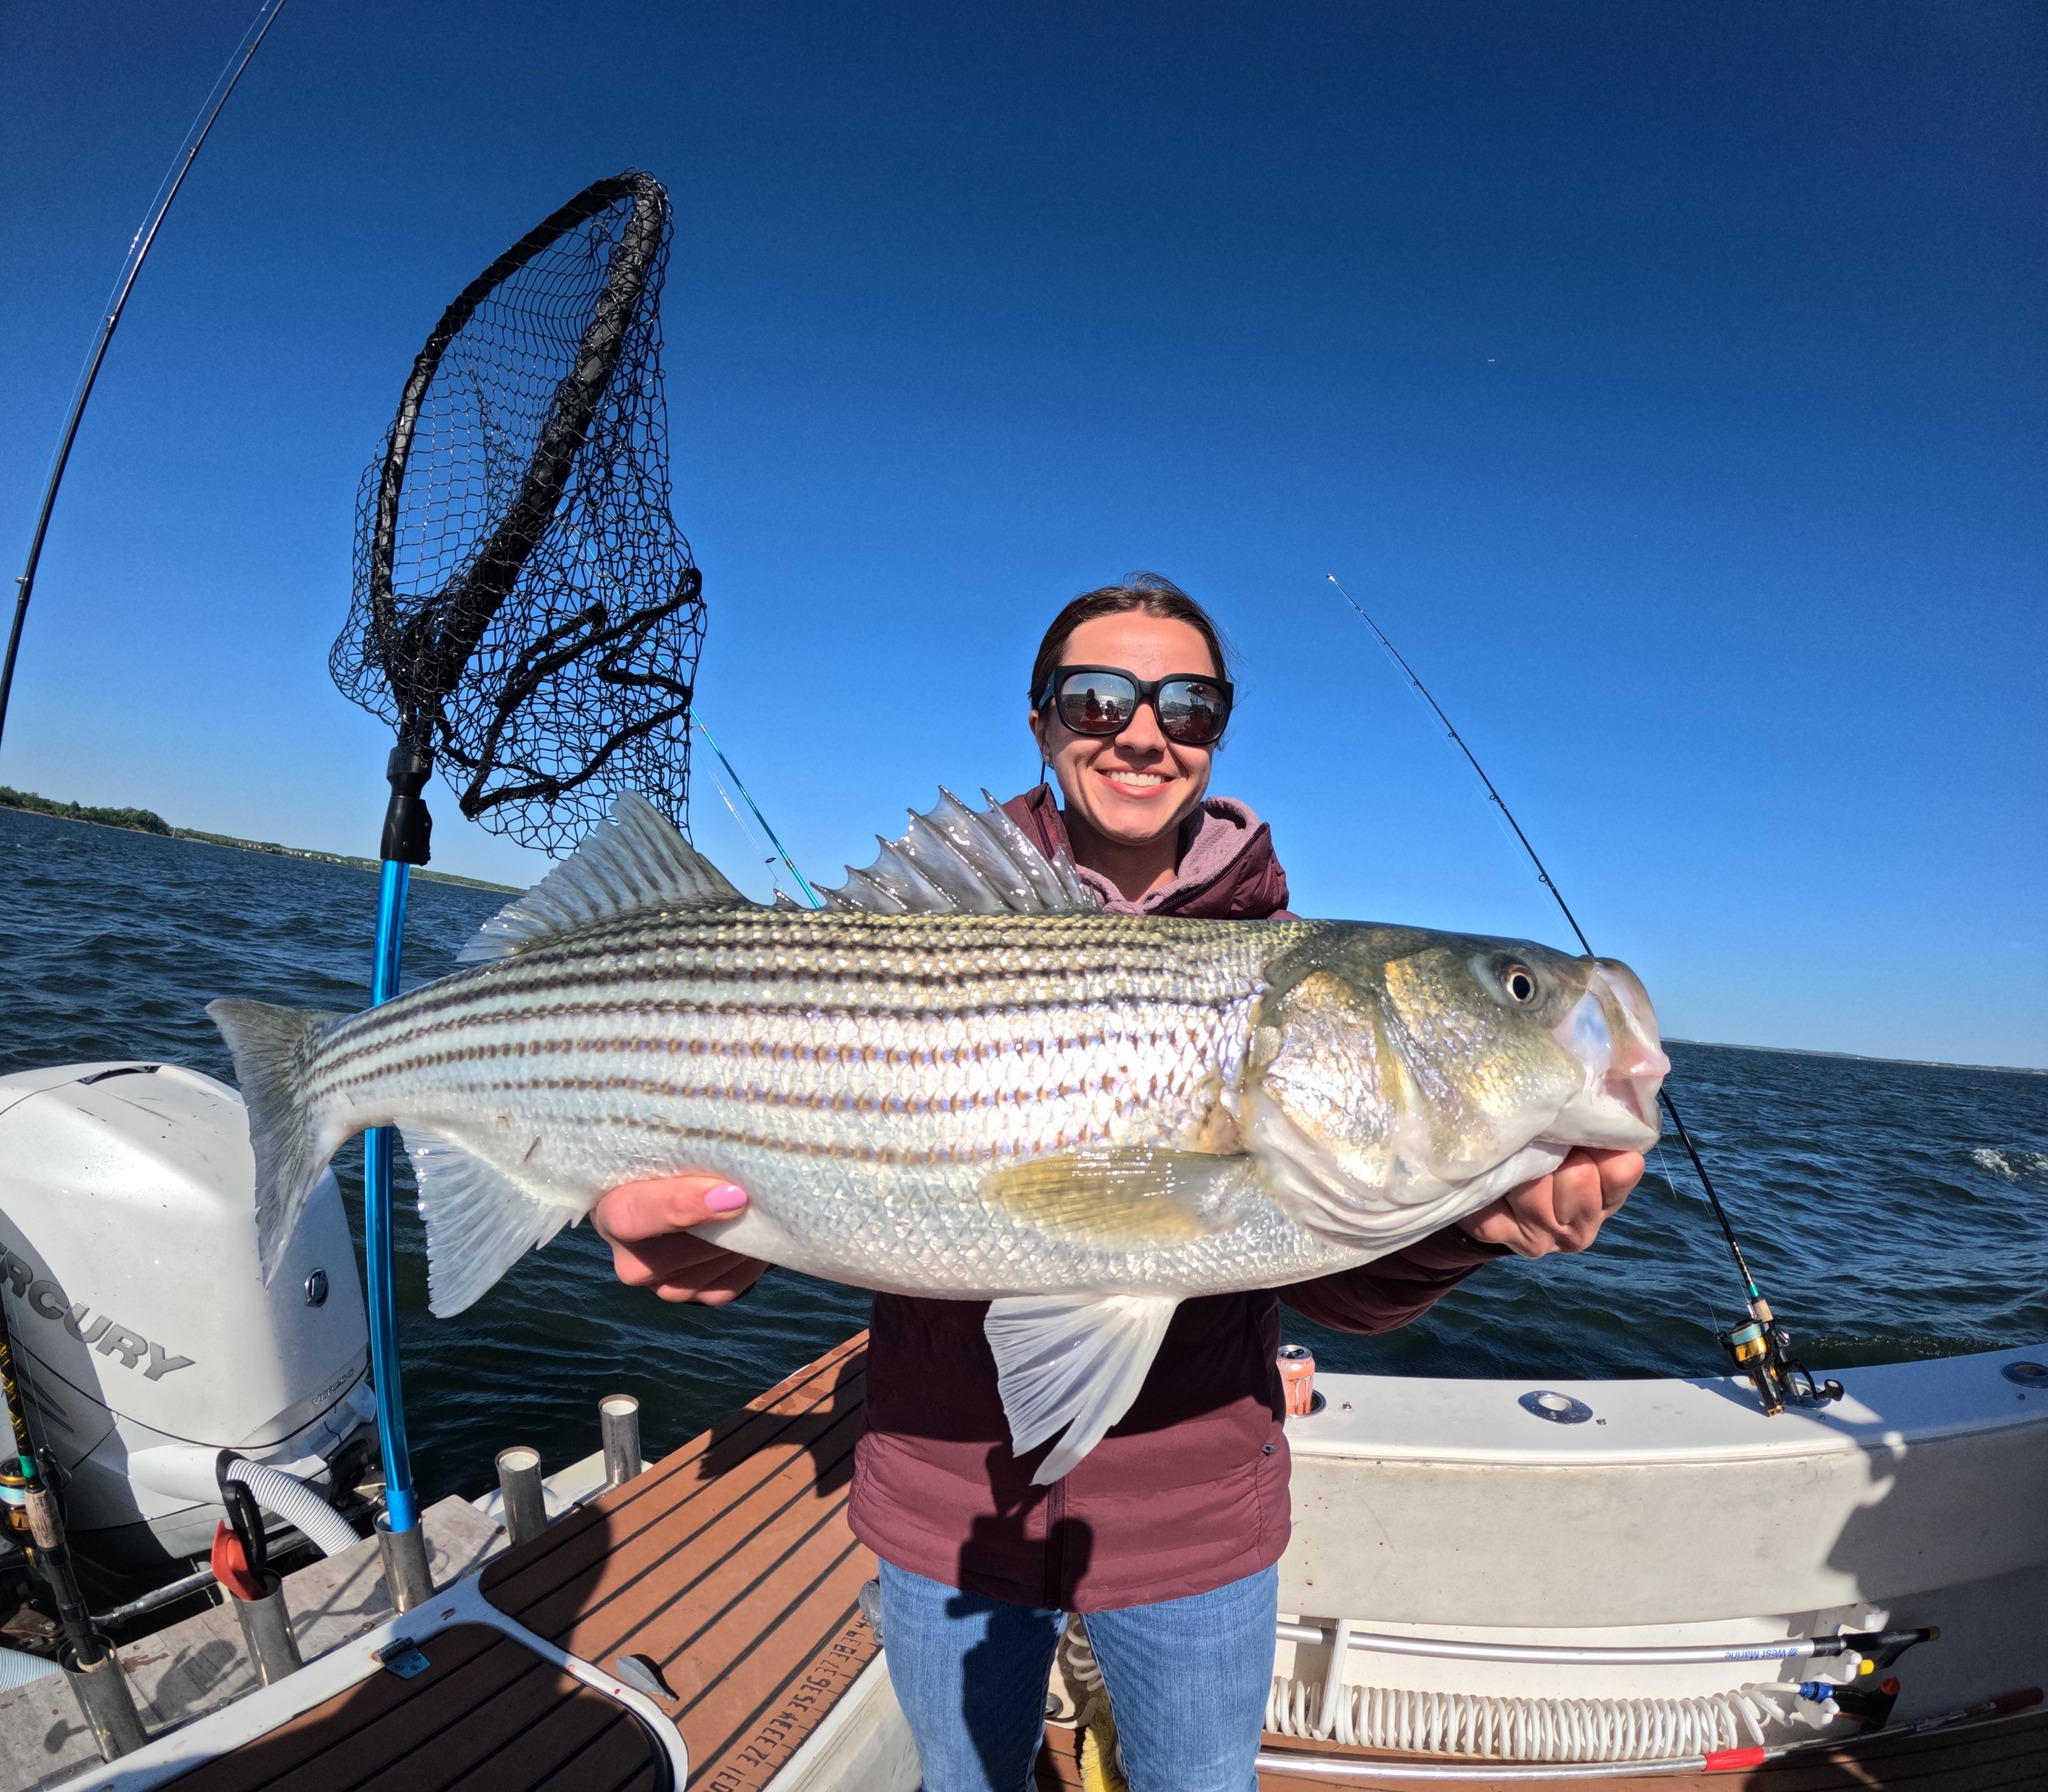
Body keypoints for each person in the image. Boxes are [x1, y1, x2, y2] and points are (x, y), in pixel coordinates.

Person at [592, 576, 1644, 1792]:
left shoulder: (1284, 953)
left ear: (1214, 735)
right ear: (1040, 721)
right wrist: (654, 1208)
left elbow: (1343, 1286)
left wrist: (1472, 1225)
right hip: (941, 1501)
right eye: (1095, 697)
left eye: (1188, 705)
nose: (1141, 730)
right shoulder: (947, 921)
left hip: (1194, 1516)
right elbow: (694, 1154)